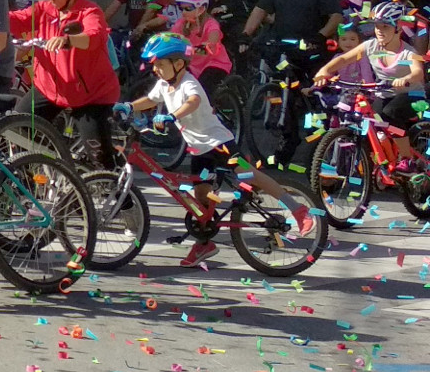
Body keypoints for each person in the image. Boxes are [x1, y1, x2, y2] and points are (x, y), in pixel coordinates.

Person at [117, 33, 316, 267]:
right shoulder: (164, 84)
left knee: (249, 173)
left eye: (160, 65)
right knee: (200, 201)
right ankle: (204, 245)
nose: (156, 70)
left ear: (179, 64)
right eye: (155, 66)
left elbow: (193, 102)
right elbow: (150, 99)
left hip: (219, 144)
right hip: (198, 150)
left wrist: (172, 116)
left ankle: (298, 209)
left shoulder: (189, 84)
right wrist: (129, 105)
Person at [11, 0, 120, 168]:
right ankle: (54, 164)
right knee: (18, 125)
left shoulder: (89, 11)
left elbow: (94, 36)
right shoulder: (42, 10)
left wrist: (69, 40)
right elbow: (14, 20)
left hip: (90, 96)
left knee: (99, 156)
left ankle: (119, 196)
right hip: (49, 89)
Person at [314, 2, 426, 158]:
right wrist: (324, 71)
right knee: (374, 122)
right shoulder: (370, 46)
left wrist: (406, 78)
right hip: (385, 93)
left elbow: (418, 72)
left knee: (390, 113)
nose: (379, 31)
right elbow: (345, 59)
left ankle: (406, 159)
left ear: (398, 29)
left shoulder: (408, 52)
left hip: (412, 95)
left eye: (385, 27)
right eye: (377, 26)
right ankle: (386, 161)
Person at [170, 0, 232, 94]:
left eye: (188, 8)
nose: (184, 12)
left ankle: (207, 109)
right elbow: (170, 38)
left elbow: (214, 37)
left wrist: (206, 45)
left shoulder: (210, 24)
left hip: (214, 62)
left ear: (201, 9)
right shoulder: (181, 24)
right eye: (181, 9)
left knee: (202, 88)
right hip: (191, 63)